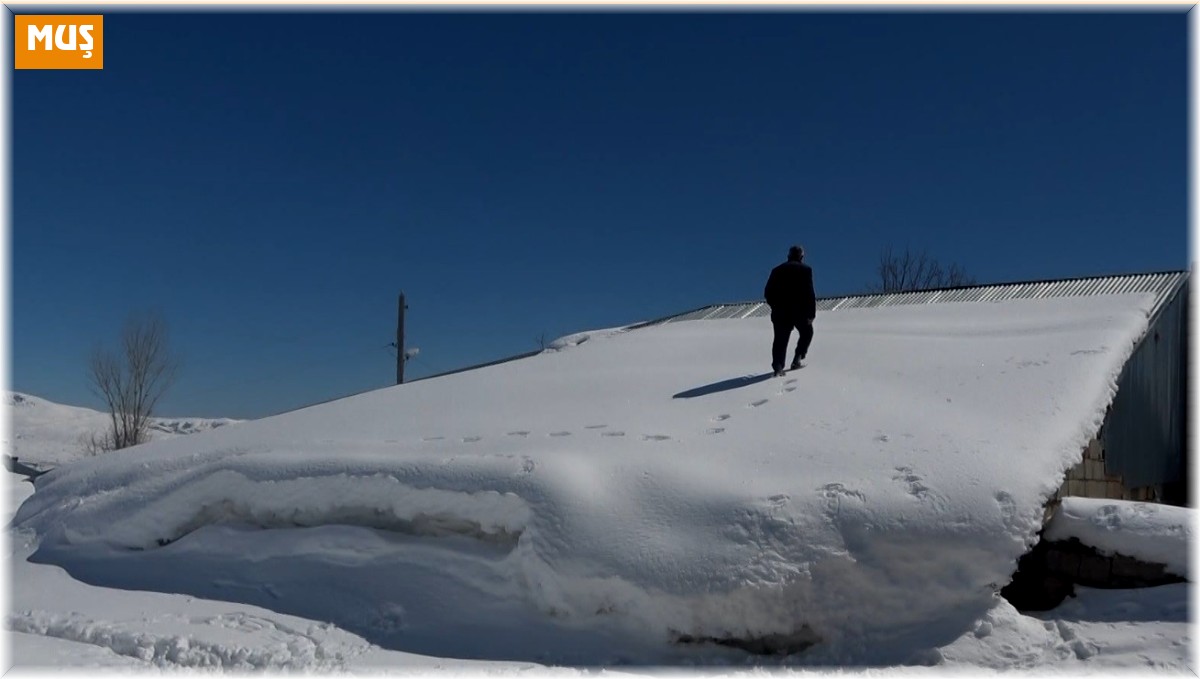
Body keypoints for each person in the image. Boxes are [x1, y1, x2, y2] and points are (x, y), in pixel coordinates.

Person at [763, 245, 816, 377]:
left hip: (780, 312)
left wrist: (775, 306)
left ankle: (778, 367)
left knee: (780, 340)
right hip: (800, 312)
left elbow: (768, 292)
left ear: (788, 256)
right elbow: (810, 294)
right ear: (801, 257)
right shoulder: (806, 270)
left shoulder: (777, 270)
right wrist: (811, 314)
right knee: (807, 332)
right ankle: (798, 357)